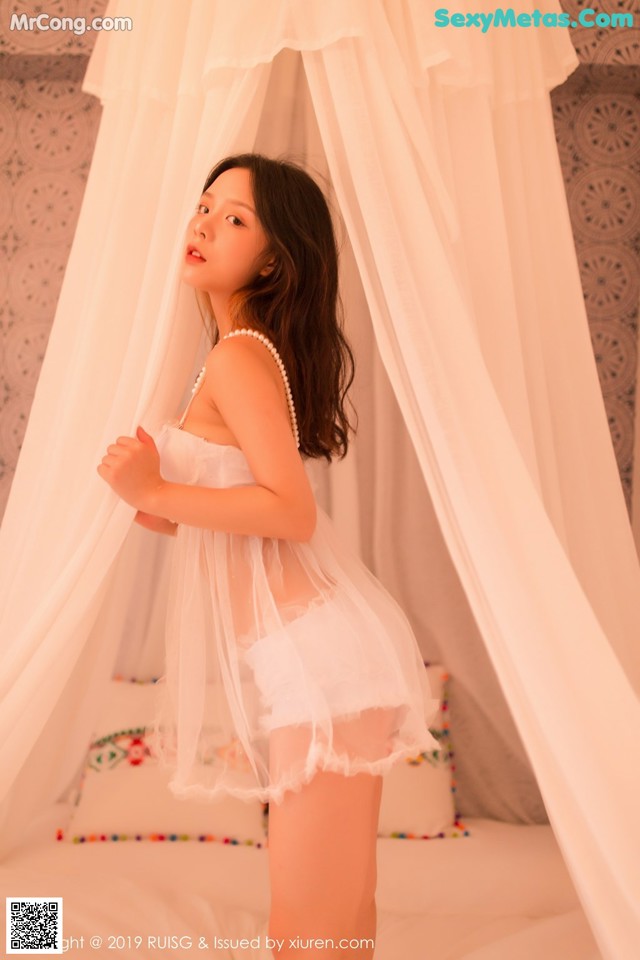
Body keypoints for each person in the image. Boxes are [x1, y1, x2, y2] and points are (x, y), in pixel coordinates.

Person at [98, 154, 439, 959]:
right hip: (319, 656)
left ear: (276, 257)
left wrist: (158, 486)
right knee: (340, 919)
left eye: (236, 219)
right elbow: (243, 518)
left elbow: (290, 513)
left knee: (309, 930)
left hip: (321, 662)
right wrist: (160, 506)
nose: (206, 224)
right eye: (206, 207)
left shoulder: (238, 355)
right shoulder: (231, 356)